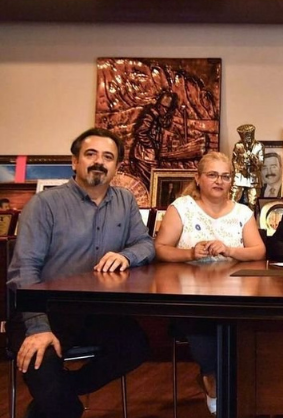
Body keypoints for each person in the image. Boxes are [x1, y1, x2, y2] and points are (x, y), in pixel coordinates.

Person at [7, 128, 154, 418]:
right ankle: (64, 403)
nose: (99, 162)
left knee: (135, 347)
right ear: (75, 162)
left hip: (97, 310)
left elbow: (146, 244)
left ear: (116, 166)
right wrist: (38, 328)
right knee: (40, 364)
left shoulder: (125, 201)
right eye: (91, 154)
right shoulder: (44, 205)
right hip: (45, 310)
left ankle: (63, 395)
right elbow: (24, 269)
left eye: (108, 157)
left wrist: (126, 255)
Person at [155, 151, 265, 415]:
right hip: (189, 295)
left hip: (234, 294)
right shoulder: (181, 208)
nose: (219, 181)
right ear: (198, 178)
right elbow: (160, 249)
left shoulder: (243, 211)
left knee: (248, 327)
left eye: (225, 176)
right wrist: (191, 253)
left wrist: (230, 249)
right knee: (203, 320)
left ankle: (241, 389)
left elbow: (259, 251)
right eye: (213, 175)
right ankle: (212, 381)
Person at [130, 90, 179, 186]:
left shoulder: (159, 118)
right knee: (145, 182)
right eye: (163, 107)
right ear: (159, 105)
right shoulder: (149, 116)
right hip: (143, 155)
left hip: (149, 155)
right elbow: (141, 132)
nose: (165, 111)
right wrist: (151, 147)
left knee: (151, 181)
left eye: (167, 108)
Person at [230, 124, 264, 210]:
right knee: (233, 199)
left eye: (248, 135)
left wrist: (252, 157)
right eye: (244, 136)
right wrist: (238, 167)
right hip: (240, 176)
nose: (247, 138)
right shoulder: (238, 146)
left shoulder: (259, 146)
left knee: (253, 202)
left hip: (253, 176)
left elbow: (261, 163)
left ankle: (251, 217)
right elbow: (234, 160)